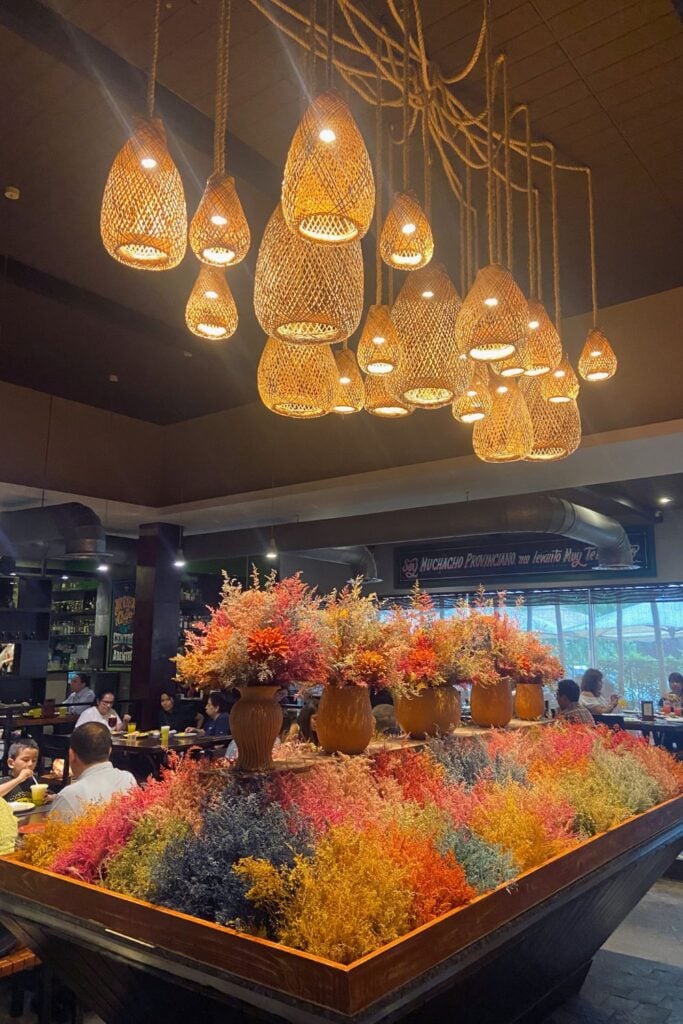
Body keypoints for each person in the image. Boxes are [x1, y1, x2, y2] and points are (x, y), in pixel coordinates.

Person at [49, 723, 136, 823]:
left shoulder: (69, 796)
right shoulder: (128, 779)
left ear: (72, 754)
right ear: (110, 751)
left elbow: (52, 837)